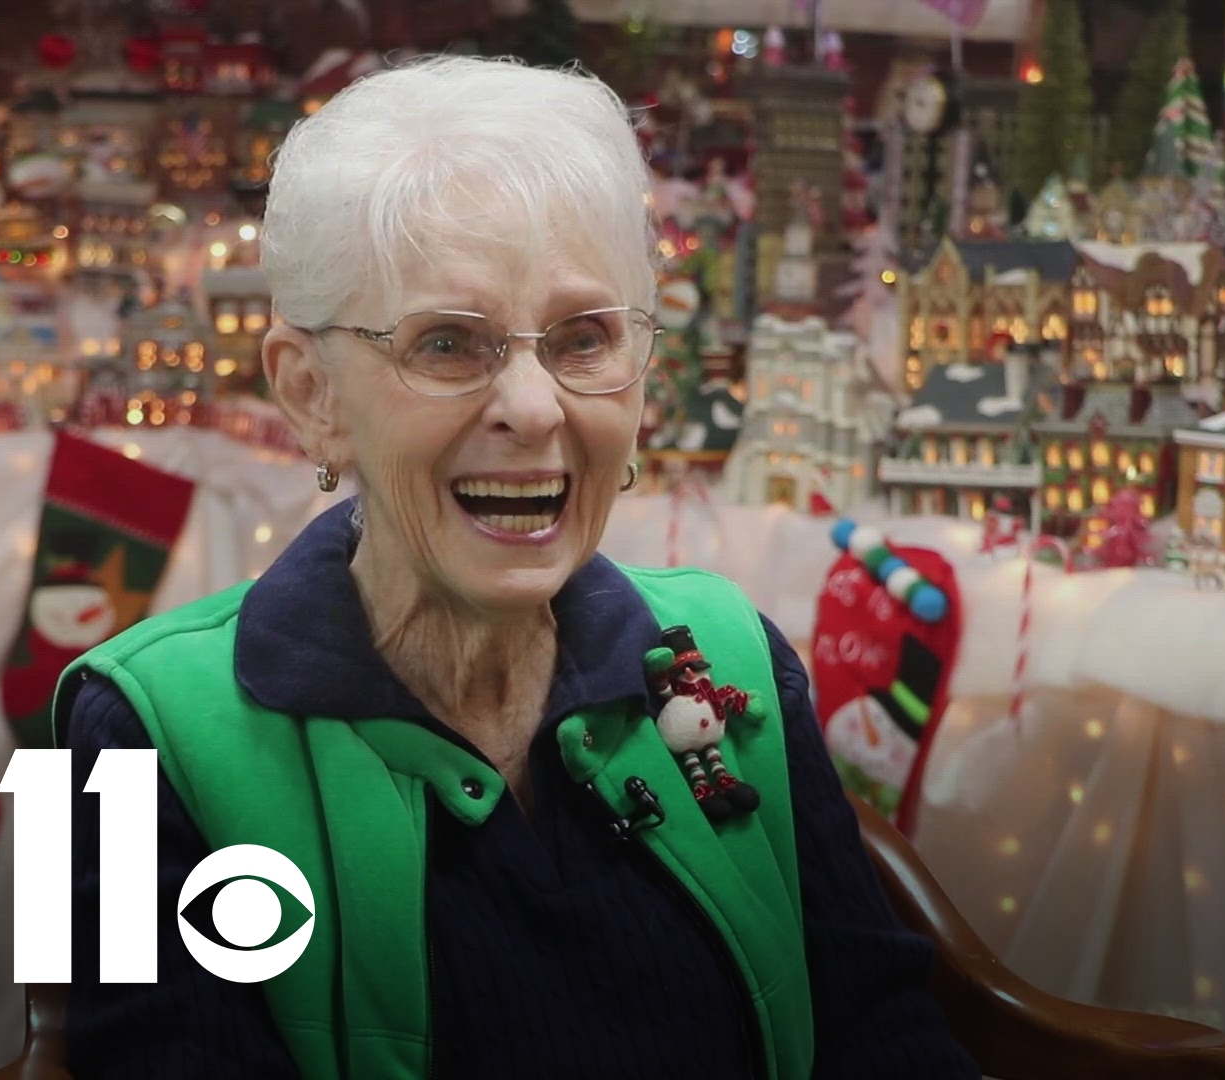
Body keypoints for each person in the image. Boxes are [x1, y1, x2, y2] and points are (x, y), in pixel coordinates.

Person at [62, 56, 979, 1078]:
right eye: (450, 344)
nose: (535, 409)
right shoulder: (145, 737)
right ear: (312, 392)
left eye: (584, 339)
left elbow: (879, 1036)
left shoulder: (733, 658)